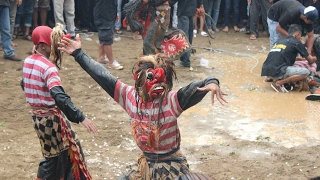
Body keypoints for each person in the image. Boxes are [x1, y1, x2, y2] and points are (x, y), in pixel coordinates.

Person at [58, 34, 227, 179]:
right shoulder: (128, 96)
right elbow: (102, 75)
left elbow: (202, 83)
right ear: (139, 82)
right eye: (152, 80)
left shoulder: (172, 100)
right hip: (145, 164)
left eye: (162, 82)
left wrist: (212, 83)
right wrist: (78, 53)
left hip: (172, 165)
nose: (158, 87)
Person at [21, 25, 98, 179]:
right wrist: (80, 117)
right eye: (51, 43)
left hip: (38, 119)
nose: (56, 46)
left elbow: (24, 84)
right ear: (42, 46)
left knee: (59, 155)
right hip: (51, 120)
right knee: (59, 157)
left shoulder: (28, 61)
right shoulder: (48, 68)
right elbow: (60, 97)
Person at [261, 24, 318, 93]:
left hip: (266, 70)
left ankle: (271, 77)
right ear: (297, 34)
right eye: (300, 36)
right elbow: (310, 60)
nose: (300, 38)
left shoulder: (280, 40)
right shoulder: (296, 42)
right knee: (305, 72)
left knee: (288, 64)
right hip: (278, 71)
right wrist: (316, 57)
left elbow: (280, 55)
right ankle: (279, 83)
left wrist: (298, 59)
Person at [169, 0, 205, 67]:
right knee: (189, 34)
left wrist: (168, 3)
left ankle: (185, 60)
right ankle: (186, 56)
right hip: (192, 9)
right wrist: (200, 5)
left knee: (184, 35)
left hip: (183, 10)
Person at [94, 0, 124, 69]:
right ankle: (111, 62)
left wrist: (114, 13)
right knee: (106, 37)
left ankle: (101, 57)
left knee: (104, 36)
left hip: (108, 13)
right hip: (104, 14)